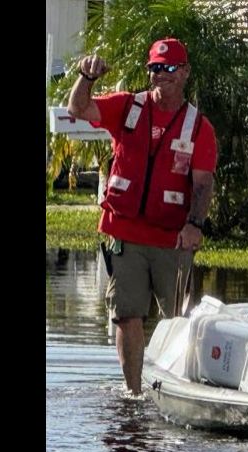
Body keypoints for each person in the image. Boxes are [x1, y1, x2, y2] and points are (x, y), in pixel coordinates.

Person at [68, 38, 217, 395]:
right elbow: (77, 107)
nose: (160, 75)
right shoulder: (128, 107)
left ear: (184, 72)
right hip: (126, 234)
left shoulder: (199, 127)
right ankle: (134, 393)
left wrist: (194, 225)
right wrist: (86, 77)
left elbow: (202, 184)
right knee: (128, 313)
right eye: (154, 68)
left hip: (172, 238)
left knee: (180, 319)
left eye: (168, 68)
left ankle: (180, 392)